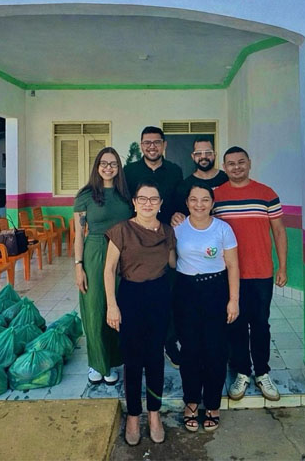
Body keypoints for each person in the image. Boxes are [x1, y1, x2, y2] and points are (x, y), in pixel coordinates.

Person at [213, 146, 288, 402]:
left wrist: (282, 267)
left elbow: (279, 232)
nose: (236, 167)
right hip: (228, 275)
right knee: (235, 325)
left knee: (260, 325)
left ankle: (262, 372)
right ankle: (242, 372)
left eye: (241, 162)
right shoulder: (215, 197)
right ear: (224, 167)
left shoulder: (266, 194)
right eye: (231, 163)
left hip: (261, 273)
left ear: (249, 163)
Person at [104, 181, 176, 447]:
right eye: (142, 199)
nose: (148, 203)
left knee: (155, 358)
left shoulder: (168, 231)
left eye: (153, 199)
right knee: (132, 359)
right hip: (130, 296)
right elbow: (109, 269)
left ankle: (154, 414)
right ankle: (134, 415)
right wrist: (112, 304)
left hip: (158, 296)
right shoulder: (121, 230)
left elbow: (173, 263)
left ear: (160, 204)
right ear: (134, 202)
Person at [173, 184, 239, 433]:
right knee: (190, 350)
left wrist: (234, 300)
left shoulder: (223, 229)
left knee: (216, 350)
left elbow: (233, 265)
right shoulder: (178, 228)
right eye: (193, 199)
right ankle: (191, 402)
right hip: (186, 291)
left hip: (216, 290)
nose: (198, 204)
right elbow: (171, 259)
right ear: (187, 202)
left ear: (212, 202)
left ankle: (212, 403)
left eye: (204, 200)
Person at [124, 125, 184, 367]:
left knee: (168, 294)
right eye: (147, 142)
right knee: (138, 294)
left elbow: (179, 203)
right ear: (141, 146)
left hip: (166, 240)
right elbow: (125, 205)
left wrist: (178, 213)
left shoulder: (175, 171)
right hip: (137, 241)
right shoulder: (129, 172)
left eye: (156, 142)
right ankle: (141, 345)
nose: (152, 146)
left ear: (164, 145)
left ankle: (169, 343)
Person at [73, 147, 132, 386]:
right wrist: (78, 266)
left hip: (124, 253)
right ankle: (97, 363)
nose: (108, 167)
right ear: (97, 167)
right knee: (95, 307)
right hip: (95, 251)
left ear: (119, 168)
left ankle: (115, 358)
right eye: (104, 163)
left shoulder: (125, 194)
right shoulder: (86, 195)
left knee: (118, 306)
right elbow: (78, 234)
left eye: (113, 164)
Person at [171, 137, 228, 225]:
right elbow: (179, 215)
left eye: (208, 153)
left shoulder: (227, 179)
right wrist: (175, 217)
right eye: (198, 153)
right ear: (193, 156)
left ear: (214, 155)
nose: (203, 157)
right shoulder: (184, 186)